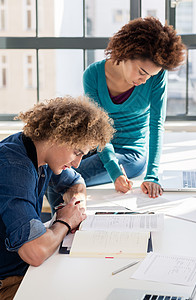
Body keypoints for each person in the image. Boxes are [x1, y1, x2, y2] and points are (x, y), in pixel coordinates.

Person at [0, 95, 114, 300]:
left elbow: (76, 182)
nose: (78, 163)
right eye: (77, 152)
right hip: (7, 281)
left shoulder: (39, 153)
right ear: (57, 137)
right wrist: (65, 221)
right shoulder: (15, 169)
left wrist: (76, 205)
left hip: (20, 269)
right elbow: (35, 253)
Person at [75, 16, 186, 198]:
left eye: (149, 76)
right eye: (142, 72)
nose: (144, 81)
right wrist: (113, 170)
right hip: (97, 145)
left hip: (131, 153)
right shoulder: (92, 75)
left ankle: (61, 224)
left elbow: (156, 124)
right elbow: (97, 128)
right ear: (126, 53)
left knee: (68, 178)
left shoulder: (157, 77)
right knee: (52, 171)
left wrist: (152, 175)